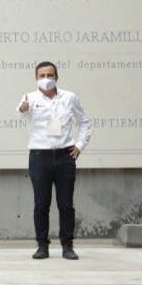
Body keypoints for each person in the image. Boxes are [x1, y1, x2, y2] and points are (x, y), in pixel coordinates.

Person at [17, 61, 91, 260]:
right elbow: (22, 111)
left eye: (50, 75)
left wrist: (80, 145)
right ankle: (42, 245)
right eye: (42, 75)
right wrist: (24, 108)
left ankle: (68, 245)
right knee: (41, 204)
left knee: (66, 204)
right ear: (36, 78)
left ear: (56, 77)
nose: (46, 79)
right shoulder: (30, 98)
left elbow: (84, 121)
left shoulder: (70, 97)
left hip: (64, 156)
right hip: (39, 157)